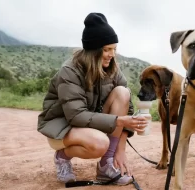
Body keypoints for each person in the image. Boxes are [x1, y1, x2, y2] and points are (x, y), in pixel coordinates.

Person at [37, 12, 148, 186]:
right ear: (93, 50)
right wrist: (119, 120)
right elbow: (76, 116)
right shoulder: (70, 71)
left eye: (114, 49)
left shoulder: (112, 69)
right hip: (62, 127)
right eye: (106, 49)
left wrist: (120, 150)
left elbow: (128, 111)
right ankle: (62, 156)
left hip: (91, 124)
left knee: (123, 92)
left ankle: (106, 166)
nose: (112, 54)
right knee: (99, 143)